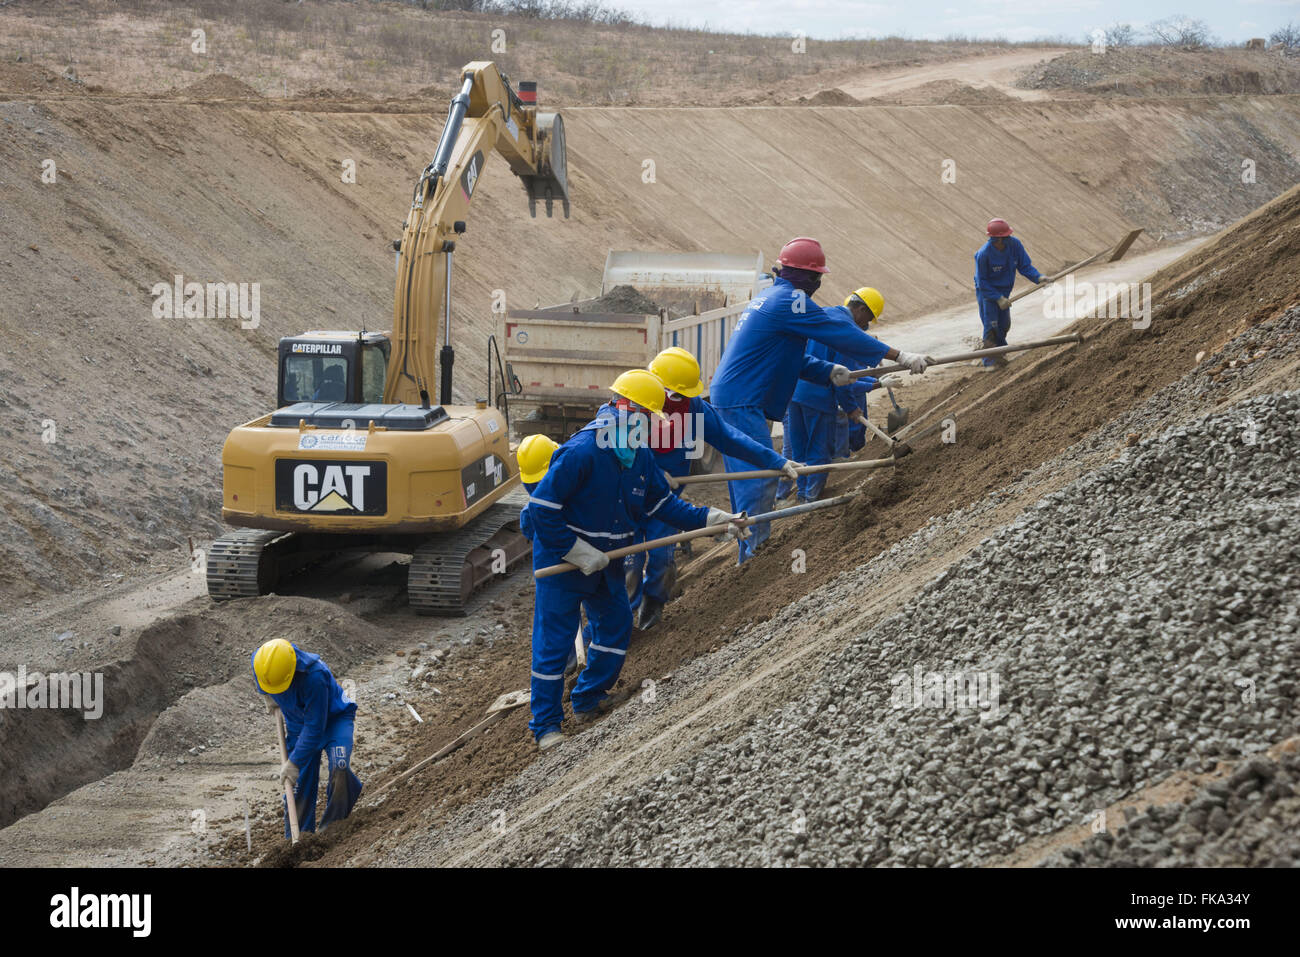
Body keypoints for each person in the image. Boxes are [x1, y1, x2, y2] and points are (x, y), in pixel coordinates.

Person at [525, 369, 747, 750]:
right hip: (563, 563)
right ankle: (546, 727)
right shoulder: (582, 451)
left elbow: (664, 505)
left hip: (608, 559)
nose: (648, 426)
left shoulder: (638, 456)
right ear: (623, 408)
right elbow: (541, 510)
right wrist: (577, 551)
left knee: (615, 624)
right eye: (645, 417)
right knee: (553, 642)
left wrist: (713, 520)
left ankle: (589, 698)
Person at [710, 244, 927, 561]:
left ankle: (749, 551)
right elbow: (840, 333)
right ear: (804, 276)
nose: (818, 285)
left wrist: (829, 371)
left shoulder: (771, 297)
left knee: (746, 479)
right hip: (742, 400)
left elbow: (788, 359)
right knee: (758, 480)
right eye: (816, 277)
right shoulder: (791, 299)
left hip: (737, 397)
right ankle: (755, 557)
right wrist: (899, 356)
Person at [626, 346, 801, 631]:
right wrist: (653, 472)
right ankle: (621, 629)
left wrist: (775, 460)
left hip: (665, 501)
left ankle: (653, 607)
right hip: (626, 502)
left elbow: (728, 438)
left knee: (660, 558)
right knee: (628, 565)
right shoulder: (631, 407)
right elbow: (616, 457)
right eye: (677, 394)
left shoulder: (692, 408)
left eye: (685, 395)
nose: (682, 400)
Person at [777, 287, 887, 503]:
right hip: (817, 398)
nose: (865, 326)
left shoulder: (823, 314)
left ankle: (800, 495)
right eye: (867, 320)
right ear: (861, 309)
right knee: (818, 451)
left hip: (794, 392)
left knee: (799, 450)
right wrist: (851, 408)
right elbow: (842, 378)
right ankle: (811, 499)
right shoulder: (846, 331)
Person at [251, 638, 362, 836]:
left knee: (340, 767)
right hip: (297, 726)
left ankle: (332, 829)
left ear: (291, 672)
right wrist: (267, 695)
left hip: (333, 720)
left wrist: (293, 763)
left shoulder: (314, 677)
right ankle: (300, 838)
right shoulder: (261, 661)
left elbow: (315, 728)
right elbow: (260, 676)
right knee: (298, 787)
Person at [974, 218, 1048, 368]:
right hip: (988, 294)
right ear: (996, 238)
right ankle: (990, 361)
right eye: (1004, 237)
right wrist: (997, 298)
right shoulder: (983, 254)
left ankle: (1000, 353)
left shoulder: (1015, 245)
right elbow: (982, 282)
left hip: (1005, 291)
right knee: (992, 325)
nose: (1007, 238)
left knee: (1004, 325)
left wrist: (1039, 277)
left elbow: (1025, 266)